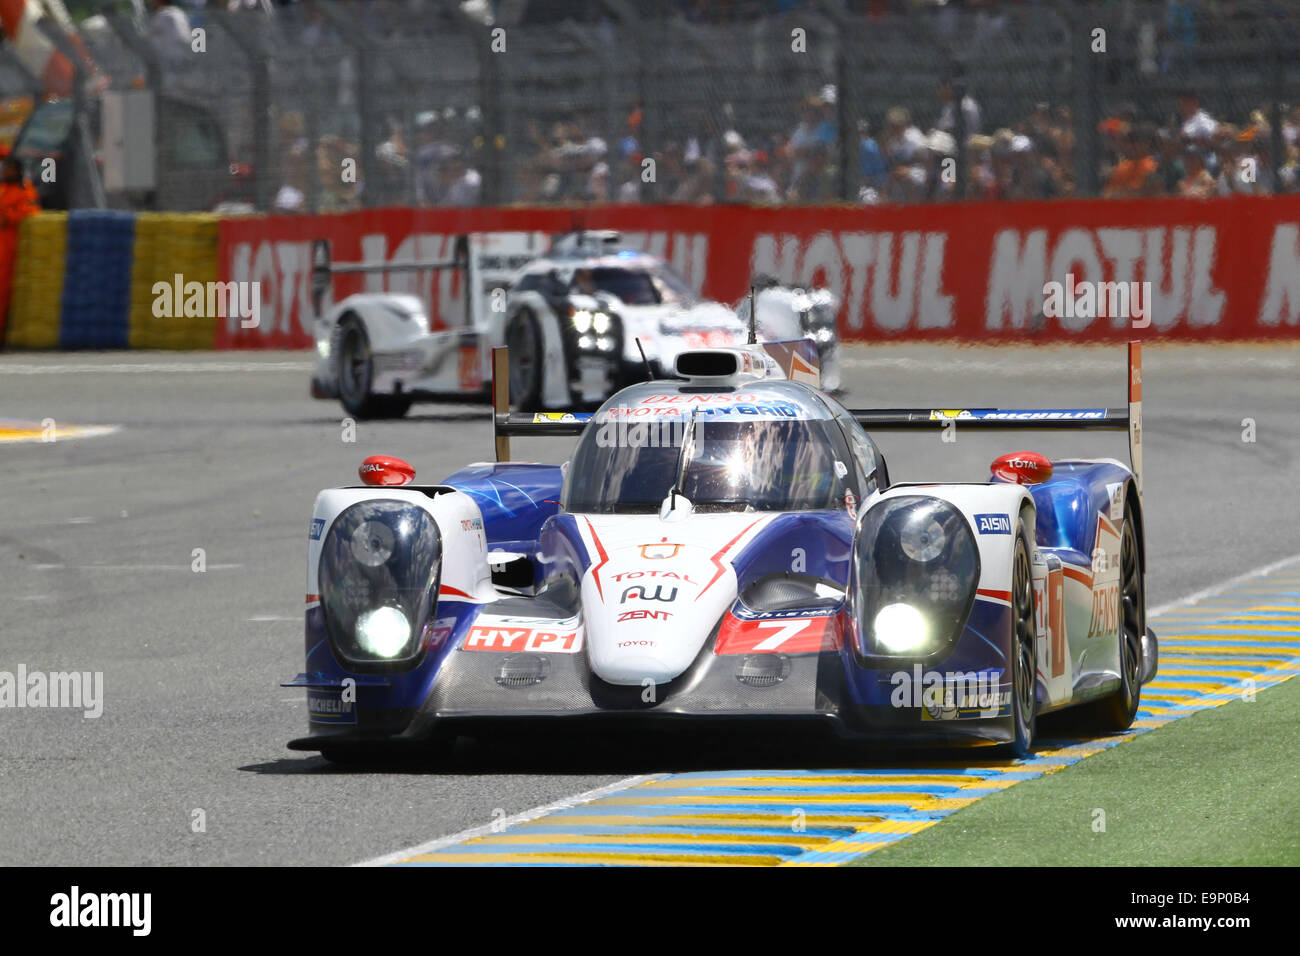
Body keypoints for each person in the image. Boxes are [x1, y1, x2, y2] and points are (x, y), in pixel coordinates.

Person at [0, 155, 41, 346]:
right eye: (5, 168)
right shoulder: (3, 189)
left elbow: (30, 212)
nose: (6, 172)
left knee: (3, 290)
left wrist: (8, 217)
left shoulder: (25, 190)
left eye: (9, 169)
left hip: (10, 247)